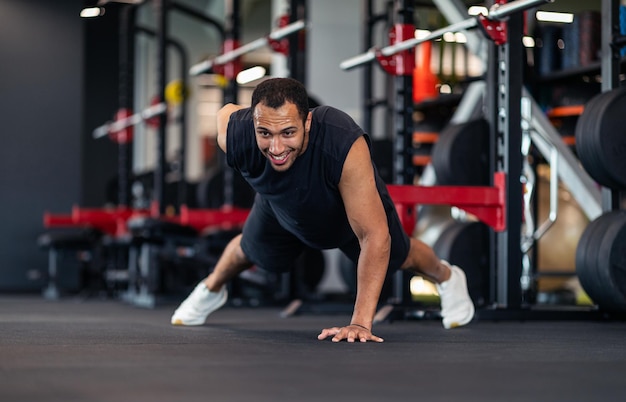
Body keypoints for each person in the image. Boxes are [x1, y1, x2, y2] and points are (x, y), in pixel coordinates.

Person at [171, 77, 475, 342]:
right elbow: (225, 113)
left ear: (307, 122)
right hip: (281, 207)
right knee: (246, 251)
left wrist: (359, 323)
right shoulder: (238, 136)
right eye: (266, 134)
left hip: (342, 213)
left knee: (401, 254)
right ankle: (210, 291)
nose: (276, 148)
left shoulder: (342, 142)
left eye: (288, 133)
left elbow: (373, 235)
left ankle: (448, 278)